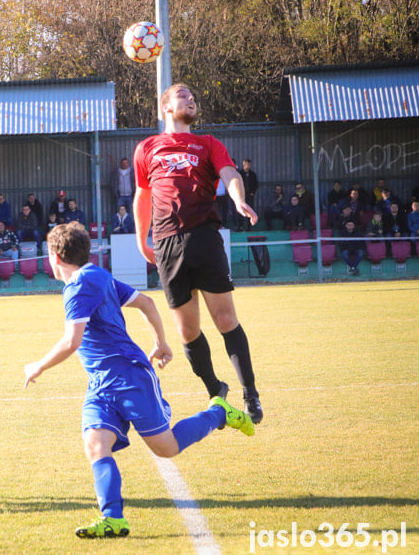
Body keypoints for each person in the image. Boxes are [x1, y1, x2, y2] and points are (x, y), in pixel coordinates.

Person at [23, 222, 254, 539]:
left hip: (129, 377)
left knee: (167, 448)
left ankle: (219, 413)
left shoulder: (79, 285)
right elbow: (145, 302)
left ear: (54, 257)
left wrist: (38, 366)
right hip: (101, 385)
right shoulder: (97, 275)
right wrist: (160, 341)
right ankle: (113, 518)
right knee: (95, 443)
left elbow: (71, 341)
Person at [132, 82, 263, 423]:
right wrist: (140, 239)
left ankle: (250, 393)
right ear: (165, 107)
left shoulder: (207, 144)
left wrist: (237, 197)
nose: (190, 99)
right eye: (182, 95)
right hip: (166, 244)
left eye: (193, 96)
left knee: (225, 320)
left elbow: (230, 173)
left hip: (204, 237)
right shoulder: (147, 148)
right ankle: (214, 389)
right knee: (187, 332)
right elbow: (142, 197)